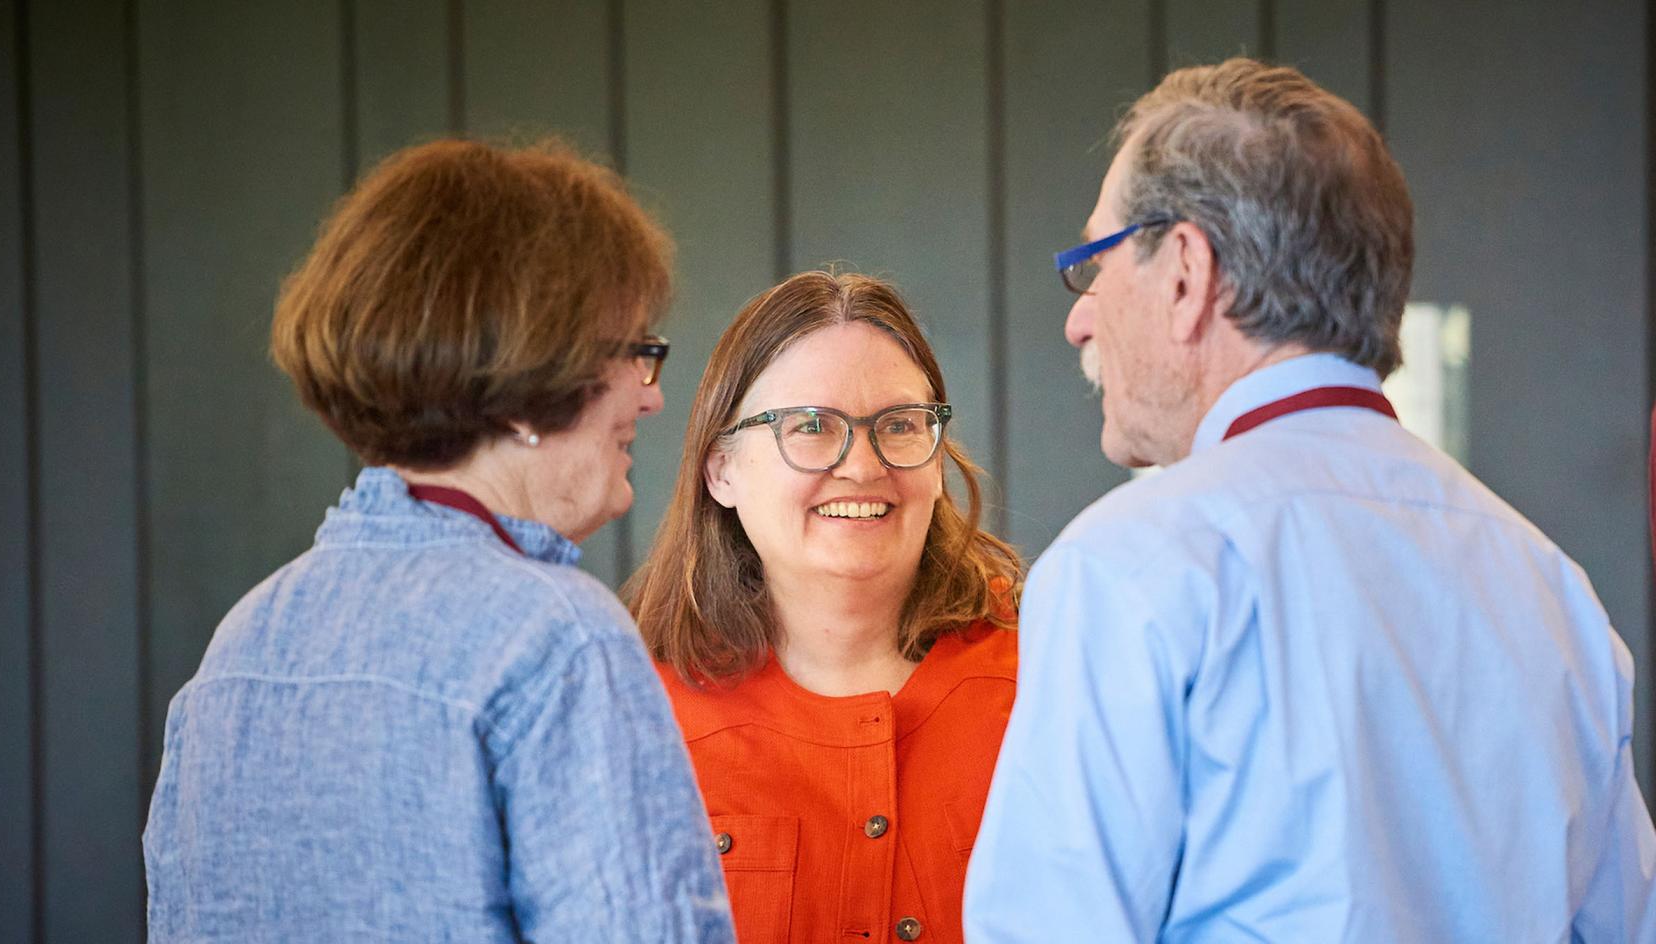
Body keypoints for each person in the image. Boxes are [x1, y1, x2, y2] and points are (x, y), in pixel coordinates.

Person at [964, 58, 1656, 942]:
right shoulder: (1552, 589)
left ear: (1184, 272)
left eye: (1093, 263)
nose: (1079, 317)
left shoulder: (1129, 572)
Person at [143, 139, 734, 942]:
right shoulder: (556, 638)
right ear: (529, 387)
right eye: (633, 352)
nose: (649, 394)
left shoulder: (241, 645)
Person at [626, 271, 1022, 943]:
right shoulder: (641, 717)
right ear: (720, 470)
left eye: (899, 425)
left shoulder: (1046, 687)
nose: (863, 465)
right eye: (811, 426)